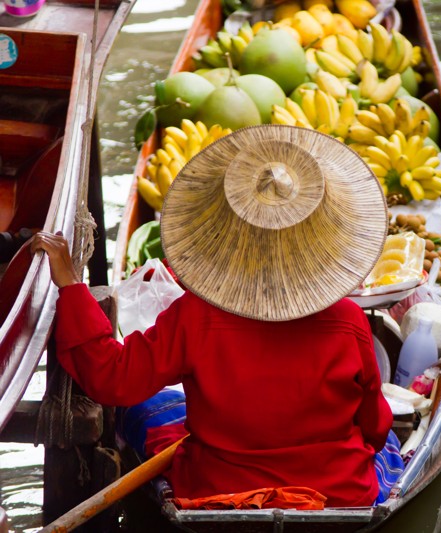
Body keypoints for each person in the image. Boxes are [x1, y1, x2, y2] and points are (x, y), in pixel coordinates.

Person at [31, 125, 403, 508]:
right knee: (389, 440)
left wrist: (72, 287)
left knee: (143, 410)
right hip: (335, 493)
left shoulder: (196, 315)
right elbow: (374, 430)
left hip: (218, 492)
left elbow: (112, 379)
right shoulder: (348, 319)